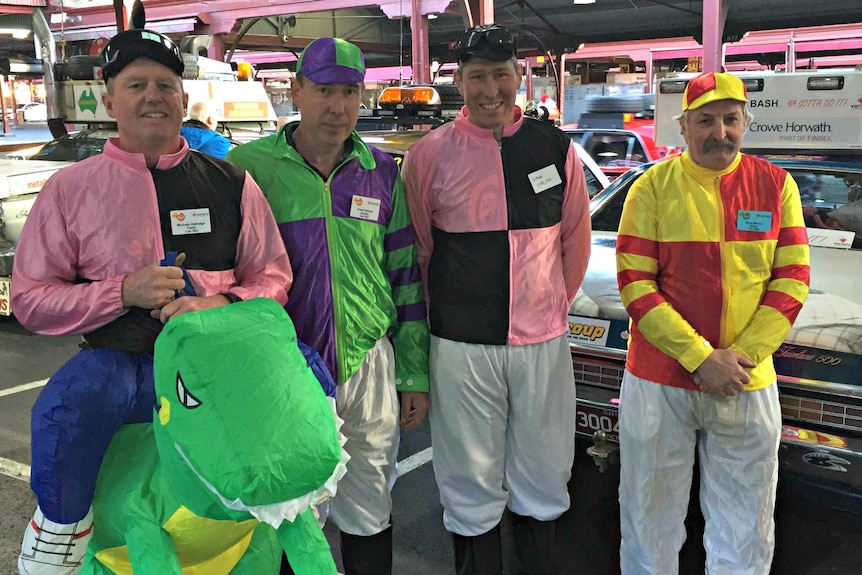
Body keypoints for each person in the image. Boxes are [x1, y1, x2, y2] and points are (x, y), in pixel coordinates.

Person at [13, 29, 293, 575]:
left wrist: (219, 306)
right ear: (109, 98)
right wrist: (122, 292)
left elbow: (273, 277)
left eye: (165, 84)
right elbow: (30, 299)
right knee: (71, 406)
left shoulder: (233, 183)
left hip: (217, 375)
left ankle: (295, 513)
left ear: (183, 99)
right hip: (124, 373)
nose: (153, 96)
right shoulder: (69, 191)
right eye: (136, 84)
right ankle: (60, 528)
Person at [226, 37, 430, 575]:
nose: (338, 107)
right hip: (286, 371)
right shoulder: (247, 168)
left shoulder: (382, 172)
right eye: (323, 91)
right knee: (292, 511)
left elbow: (405, 276)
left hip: (369, 363)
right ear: (295, 91)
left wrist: (412, 374)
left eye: (349, 92)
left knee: (370, 504)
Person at [401, 23, 592, 574]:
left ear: (519, 79)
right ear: (459, 80)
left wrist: (547, 308)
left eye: (501, 75)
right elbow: (419, 251)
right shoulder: (429, 156)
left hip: (542, 343)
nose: (490, 90)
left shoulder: (555, 147)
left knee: (545, 471)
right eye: (477, 77)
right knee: (467, 478)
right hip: (461, 345)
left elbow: (573, 240)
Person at [615, 71, 811, 574]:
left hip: (745, 381)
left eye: (730, 119)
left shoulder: (776, 185)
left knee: (746, 525)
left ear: (746, 121)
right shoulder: (651, 188)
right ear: (683, 127)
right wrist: (702, 359)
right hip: (661, 381)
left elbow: (792, 279)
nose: (719, 131)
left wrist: (737, 360)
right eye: (705, 121)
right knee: (648, 518)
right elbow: (636, 285)